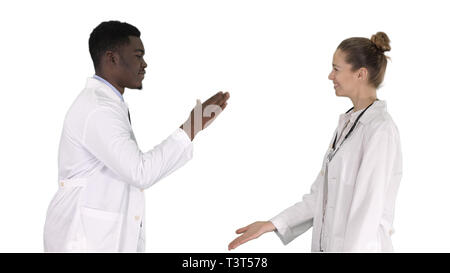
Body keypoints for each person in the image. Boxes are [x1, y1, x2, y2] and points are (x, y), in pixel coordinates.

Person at [43, 20, 230, 252]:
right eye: (138, 55)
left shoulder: (107, 104)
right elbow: (140, 172)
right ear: (112, 58)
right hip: (82, 240)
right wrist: (191, 127)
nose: (144, 64)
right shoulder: (98, 109)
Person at [228, 32, 402, 252]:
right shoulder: (348, 125)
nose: (331, 76)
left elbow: (367, 213)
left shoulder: (380, 130)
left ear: (360, 74)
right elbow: (320, 197)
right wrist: (272, 224)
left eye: (336, 69)